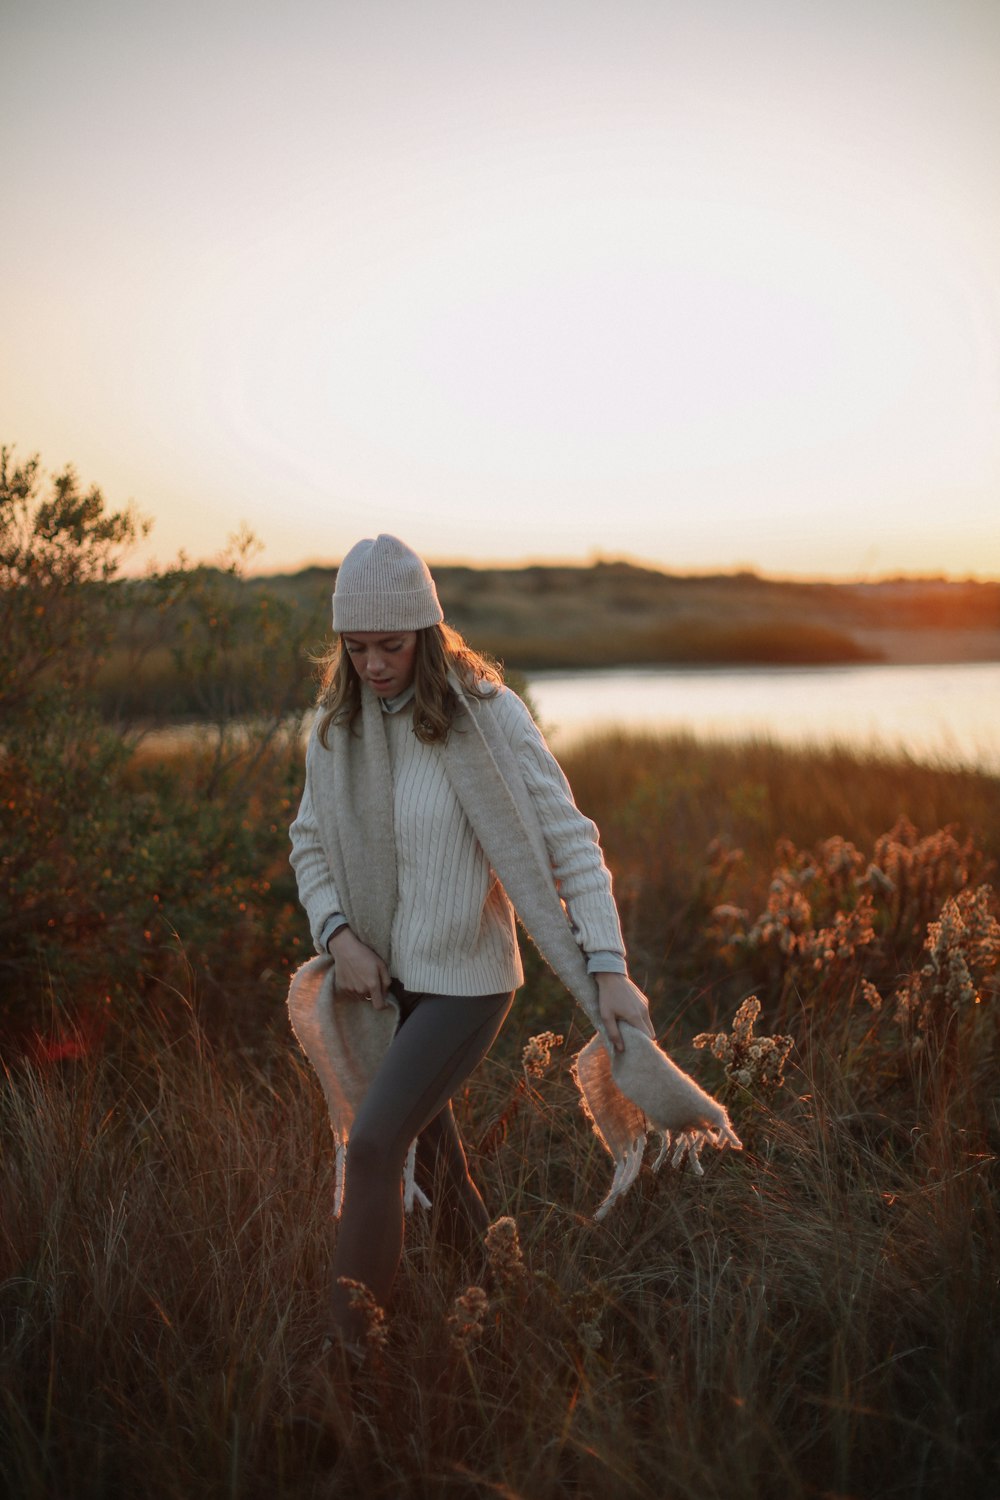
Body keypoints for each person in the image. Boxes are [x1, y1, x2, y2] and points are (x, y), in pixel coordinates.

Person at [288, 534, 733, 1362]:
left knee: (378, 1142)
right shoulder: (334, 731)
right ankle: (502, 1318)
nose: (375, 664)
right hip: (381, 983)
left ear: (428, 631)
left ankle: (344, 1369)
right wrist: (340, 937)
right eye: (358, 649)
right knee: (439, 1167)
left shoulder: (486, 716)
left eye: (392, 645)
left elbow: (572, 841)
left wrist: (608, 966)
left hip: (467, 983)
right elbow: (309, 844)